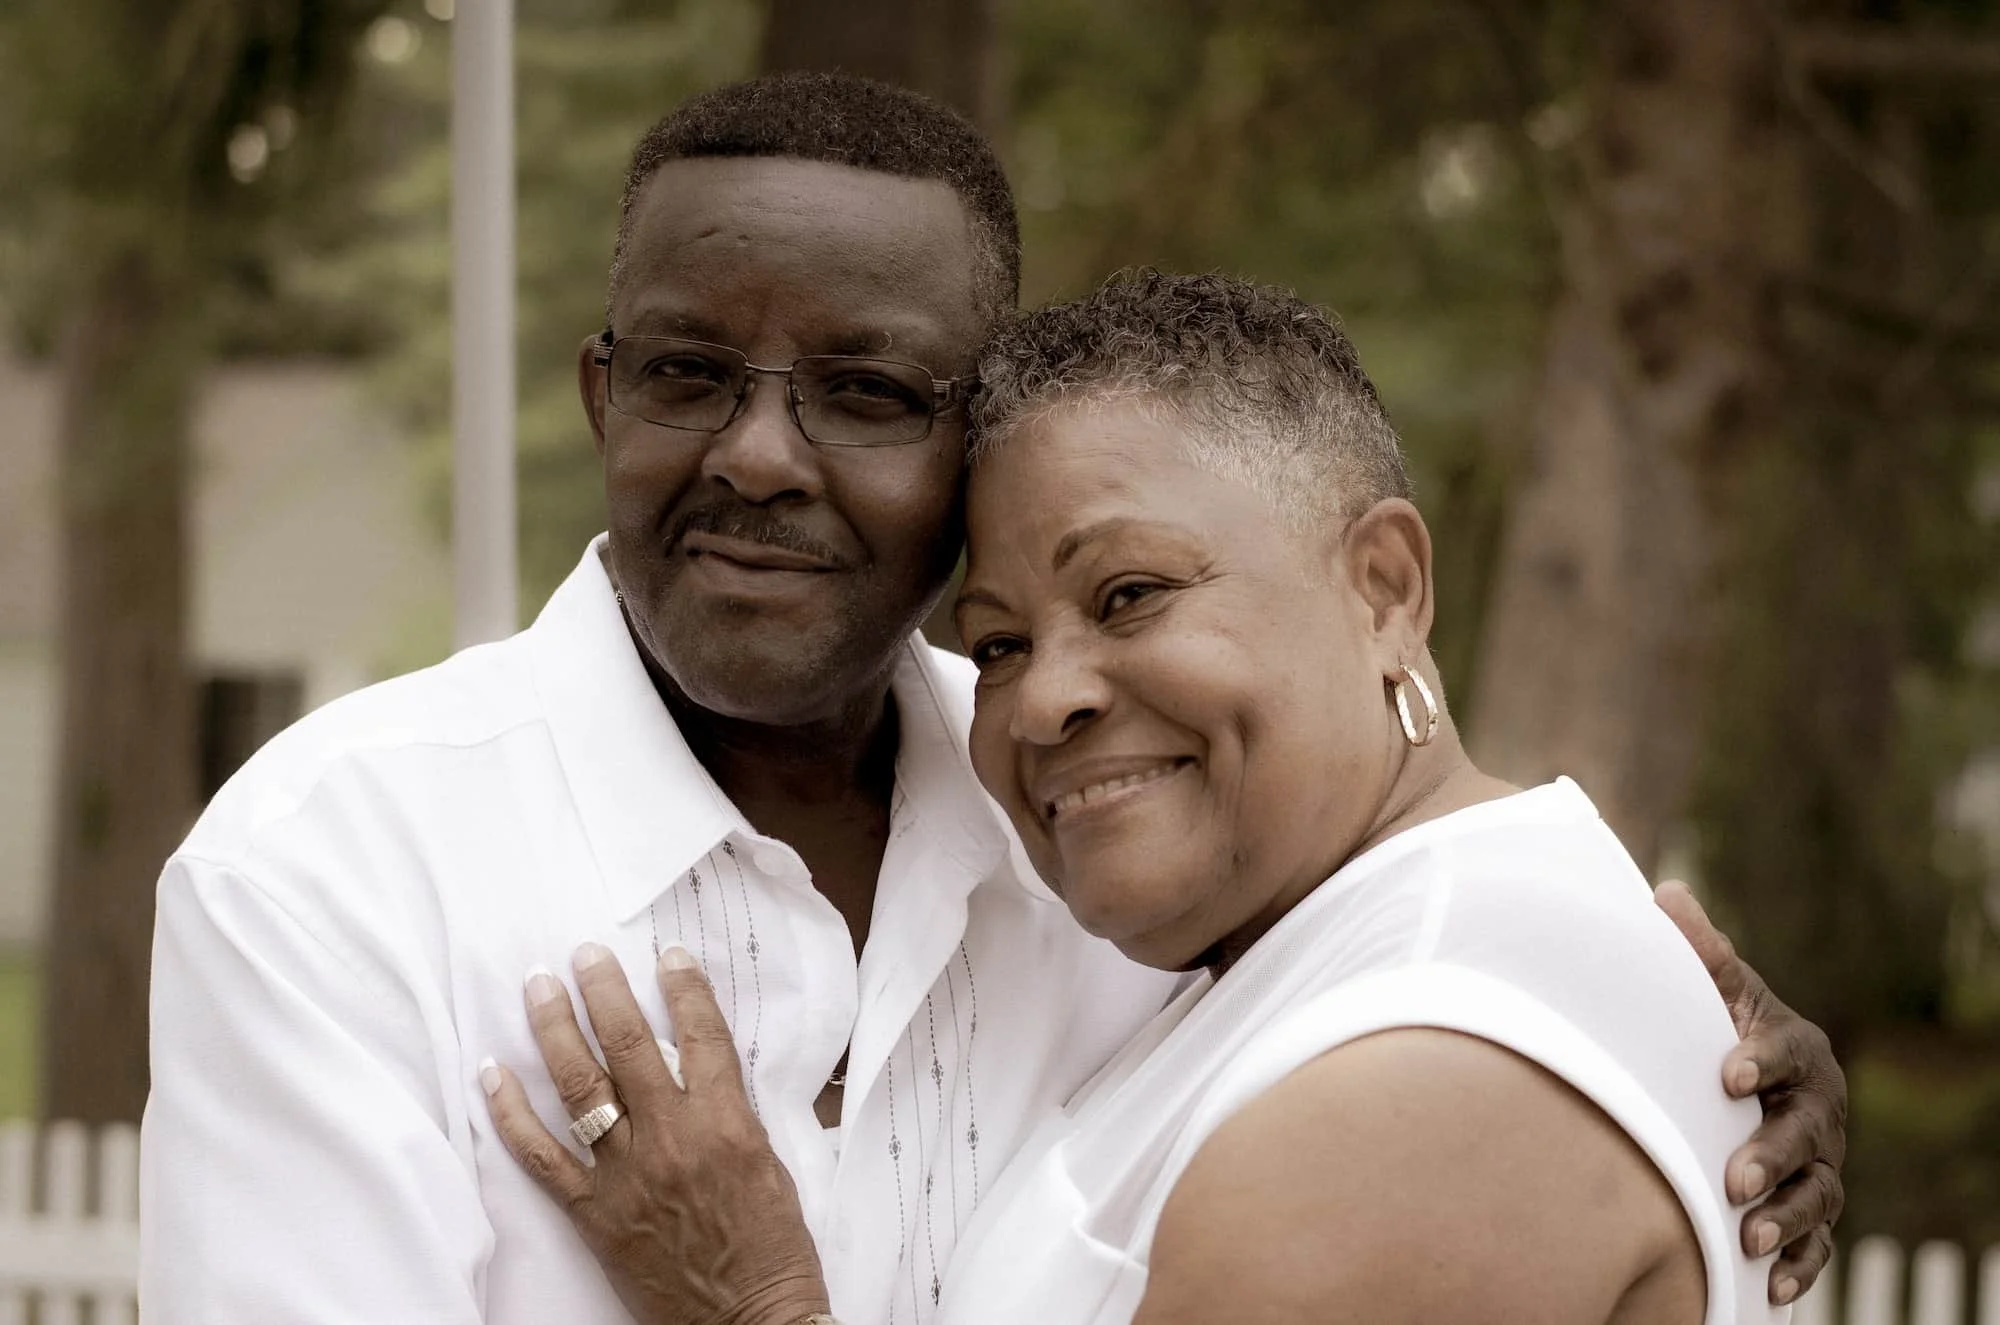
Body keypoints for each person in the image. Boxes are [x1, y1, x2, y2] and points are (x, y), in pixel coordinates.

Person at [140, 73, 1838, 1324]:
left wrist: (1664, 1050)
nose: (755, 455)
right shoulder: (337, 873)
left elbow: (1447, 1038)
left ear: (977, 451)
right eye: (687, 373)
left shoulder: (1123, 837)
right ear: (604, 398)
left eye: (868, 391)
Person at [485, 271, 1838, 1325]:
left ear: (1384, 589)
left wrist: (756, 1302)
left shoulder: (1418, 1093)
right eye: (997, 644)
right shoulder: (1323, 952)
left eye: (1130, 593)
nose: (1041, 700)